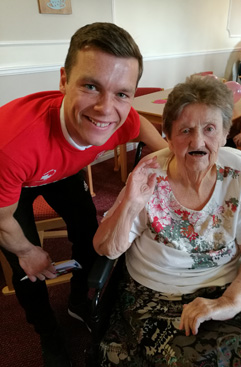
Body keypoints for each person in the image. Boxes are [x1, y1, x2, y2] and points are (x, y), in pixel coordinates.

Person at [0, 22, 167, 366]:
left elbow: (144, 129)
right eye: (91, 86)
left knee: (88, 235)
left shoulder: (120, 118)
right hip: (17, 182)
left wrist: (173, 159)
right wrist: (28, 250)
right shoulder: (13, 145)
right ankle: (48, 333)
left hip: (58, 173)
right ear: (63, 80)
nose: (106, 109)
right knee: (26, 271)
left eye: (122, 93)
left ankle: (78, 301)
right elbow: (1, 220)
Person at [93, 76, 241, 366]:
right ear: (167, 135)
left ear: (226, 133)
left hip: (222, 292)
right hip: (154, 297)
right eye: (185, 130)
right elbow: (106, 248)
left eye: (210, 129)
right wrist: (130, 203)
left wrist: (231, 301)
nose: (198, 141)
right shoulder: (150, 175)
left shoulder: (240, 175)